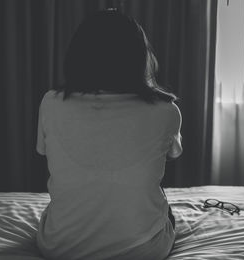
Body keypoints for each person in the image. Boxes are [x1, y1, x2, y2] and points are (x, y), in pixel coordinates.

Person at [35, 9, 182, 260]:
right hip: (144, 250)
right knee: (162, 203)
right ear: (139, 57)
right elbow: (172, 154)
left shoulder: (51, 103)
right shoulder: (166, 111)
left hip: (59, 247)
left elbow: (44, 151)